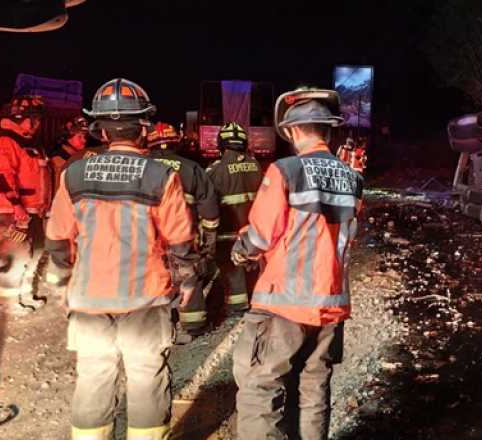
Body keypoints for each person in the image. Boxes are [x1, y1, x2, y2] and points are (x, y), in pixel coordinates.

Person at [44, 78, 197, 440]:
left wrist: (63, 282)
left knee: (94, 376)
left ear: (99, 129)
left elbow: (56, 238)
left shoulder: (74, 174)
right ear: (144, 127)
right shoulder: (162, 176)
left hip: (89, 299)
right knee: (146, 376)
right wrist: (188, 283)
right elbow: (179, 241)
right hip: (145, 299)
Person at [231, 87, 361, 440]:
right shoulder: (353, 178)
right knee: (314, 389)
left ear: (292, 131)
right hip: (331, 306)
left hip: (284, 303)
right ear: (328, 129)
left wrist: (241, 250)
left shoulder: (285, 170)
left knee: (260, 387)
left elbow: (261, 235)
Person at [147, 121, 220, 339]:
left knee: (150, 276)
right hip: (182, 235)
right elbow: (209, 208)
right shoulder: (191, 168)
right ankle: (193, 326)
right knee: (190, 275)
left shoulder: (139, 165)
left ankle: (154, 325)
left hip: (146, 236)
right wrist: (208, 240)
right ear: (175, 142)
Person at [0, 95, 50, 313]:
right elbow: (2, 175)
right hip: (11, 212)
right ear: (19, 117)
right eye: (33, 119)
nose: (36, 124)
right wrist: (16, 205)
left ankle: (24, 293)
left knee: (33, 253)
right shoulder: (6, 142)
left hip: (33, 211)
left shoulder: (30, 145)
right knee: (13, 256)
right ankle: (6, 301)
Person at [205, 122, 262, 314]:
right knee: (253, 266)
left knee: (231, 268)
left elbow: (208, 204)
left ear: (221, 144)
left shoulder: (215, 170)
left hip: (228, 232)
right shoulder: (256, 166)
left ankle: (236, 305)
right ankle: (256, 300)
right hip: (253, 231)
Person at [48, 116, 98, 188]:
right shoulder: (59, 162)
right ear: (67, 136)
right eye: (79, 137)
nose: (84, 140)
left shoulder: (79, 158)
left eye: (85, 137)